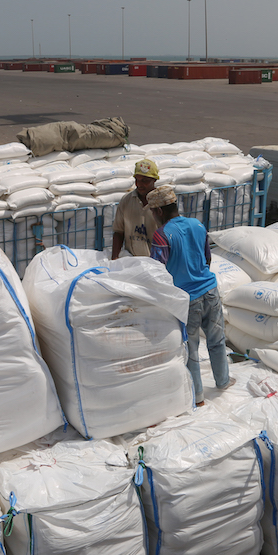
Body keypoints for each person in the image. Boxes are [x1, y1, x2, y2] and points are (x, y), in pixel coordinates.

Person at [146, 185, 233, 404]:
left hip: (188, 299)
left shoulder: (162, 235)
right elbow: (207, 259)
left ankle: (198, 396)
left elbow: (157, 272)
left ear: (157, 211)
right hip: (210, 291)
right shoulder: (197, 225)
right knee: (217, 339)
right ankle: (223, 381)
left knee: (191, 348)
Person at [110, 158, 160, 259]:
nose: (139, 184)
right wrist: (114, 258)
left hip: (157, 262)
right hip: (133, 260)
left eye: (145, 181)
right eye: (137, 180)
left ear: (154, 180)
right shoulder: (127, 200)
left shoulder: (162, 202)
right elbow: (119, 232)